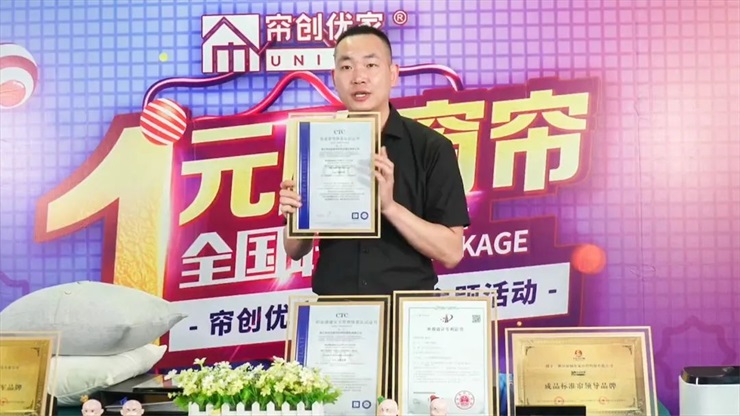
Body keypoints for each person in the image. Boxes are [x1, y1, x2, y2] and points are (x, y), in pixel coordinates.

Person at [278, 24, 470, 401]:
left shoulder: (431, 147)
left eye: (371, 64)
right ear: (334, 77)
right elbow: (295, 249)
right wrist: (293, 214)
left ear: (393, 73)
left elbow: (451, 251)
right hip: (336, 322)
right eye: (346, 66)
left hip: (407, 322)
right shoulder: (315, 144)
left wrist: (389, 207)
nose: (359, 77)